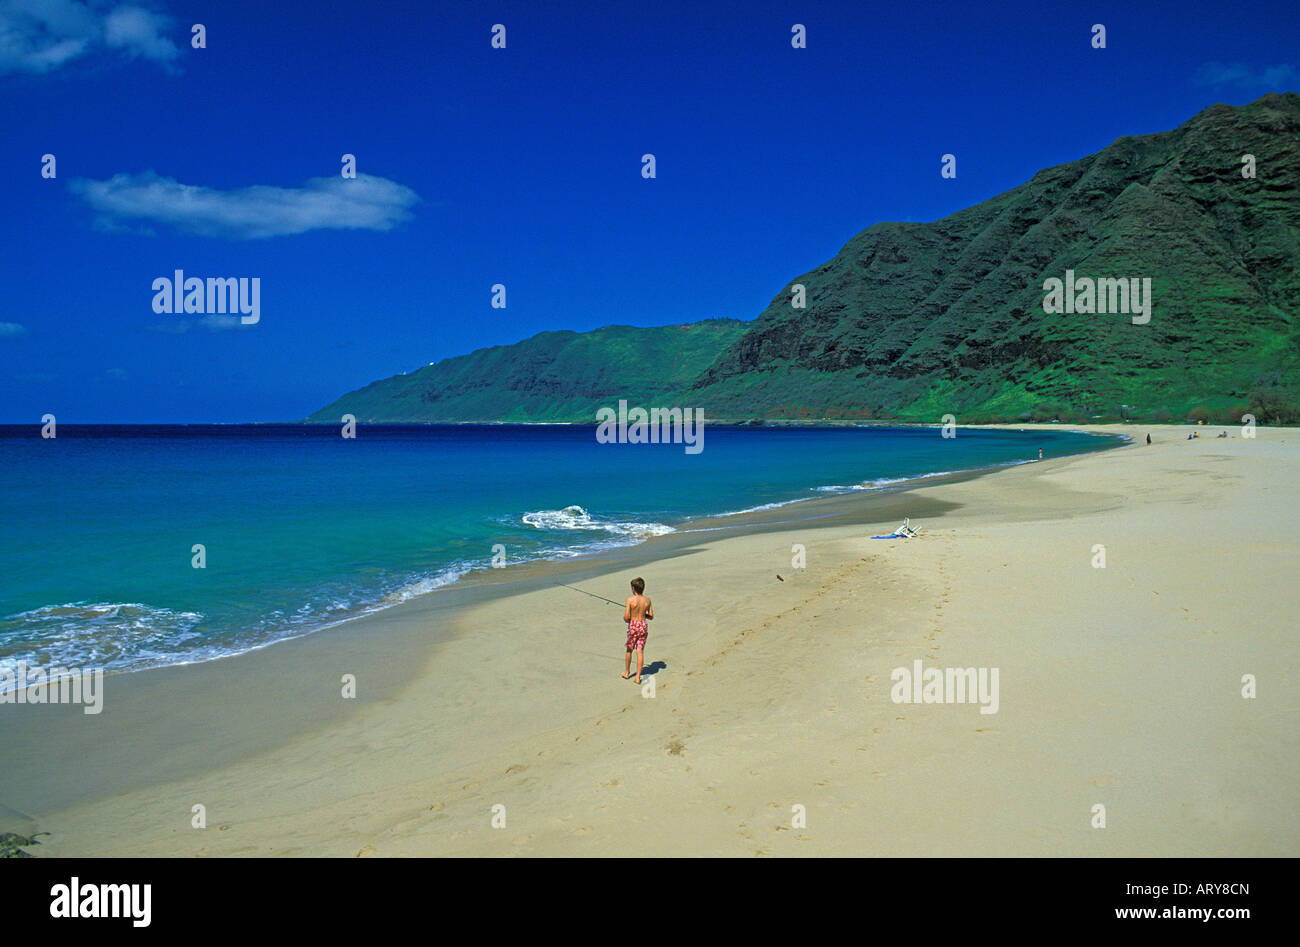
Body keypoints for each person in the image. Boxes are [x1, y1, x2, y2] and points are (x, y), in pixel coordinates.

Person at [622, 577, 653, 683]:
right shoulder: (647, 600)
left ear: (633, 588)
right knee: (640, 651)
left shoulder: (630, 600)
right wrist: (644, 614)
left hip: (633, 626)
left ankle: (627, 672)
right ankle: (637, 677)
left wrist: (628, 620)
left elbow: (626, 617)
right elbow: (651, 616)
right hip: (643, 625)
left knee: (629, 649)